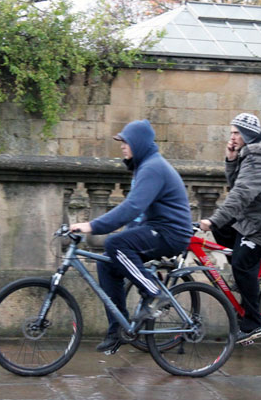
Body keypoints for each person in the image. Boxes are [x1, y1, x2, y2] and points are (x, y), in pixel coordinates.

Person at [71, 119, 192, 352]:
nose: (122, 146)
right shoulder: (144, 167)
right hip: (158, 228)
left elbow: (132, 208)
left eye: (125, 142)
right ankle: (117, 330)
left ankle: (154, 292)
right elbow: (137, 217)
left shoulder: (152, 168)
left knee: (115, 243)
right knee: (107, 262)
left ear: (138, 142)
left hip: (171, 233)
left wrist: (93, 226)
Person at [199, 113, 261, 345]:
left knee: (241, 263)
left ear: (246, 134)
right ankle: (255, 273)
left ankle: (254, 324)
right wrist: (231, 160)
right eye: (231, 132)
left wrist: (212, 220)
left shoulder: (258, 159)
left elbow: (240, 196)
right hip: (255, 220)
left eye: (235, 132)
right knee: (223, 232)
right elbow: (239, 185)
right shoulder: (252, 155)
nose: (232, 137)